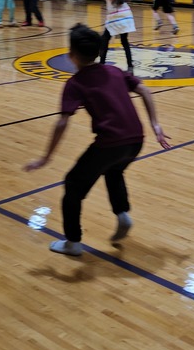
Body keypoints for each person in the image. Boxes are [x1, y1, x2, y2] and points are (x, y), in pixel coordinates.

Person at [25, 23, 171, 255]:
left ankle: (73, 242)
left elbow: (63, 122)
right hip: (136, 140)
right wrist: (156, 125)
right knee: (113, 171)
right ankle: (122, 214)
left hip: (110, 143)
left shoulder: (76, 83)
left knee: (73, 185)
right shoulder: (113, 70)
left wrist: (46, 157)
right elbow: (144, 89)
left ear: (71, 55)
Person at [97, 0, 135, 71]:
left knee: (104, 40)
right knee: (124, 41)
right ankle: (130, 66)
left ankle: (101, 64)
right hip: (124, 13)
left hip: (117, 15)